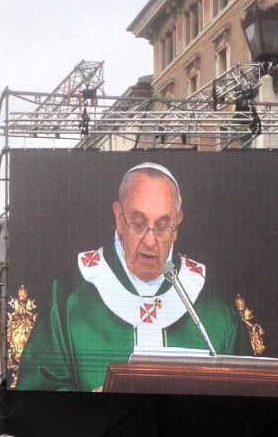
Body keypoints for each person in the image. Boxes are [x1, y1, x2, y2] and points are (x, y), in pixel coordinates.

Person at [18, 162, 257, 390]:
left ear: (178, 222)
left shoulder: (211, 303)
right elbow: (39, 390)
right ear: (119, 219)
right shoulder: (71, 295)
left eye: (163, 226)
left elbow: (247, 393)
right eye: (139, 224)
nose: (151, 241)